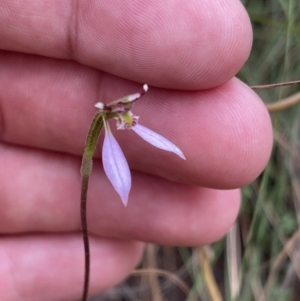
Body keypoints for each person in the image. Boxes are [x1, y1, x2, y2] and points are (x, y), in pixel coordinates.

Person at [0, 1, 273, 300]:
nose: (127, 115)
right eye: (123, 112)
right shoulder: (103, 122)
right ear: (109, 113)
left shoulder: (118, 123)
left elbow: (148, 137)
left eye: (127, 112)